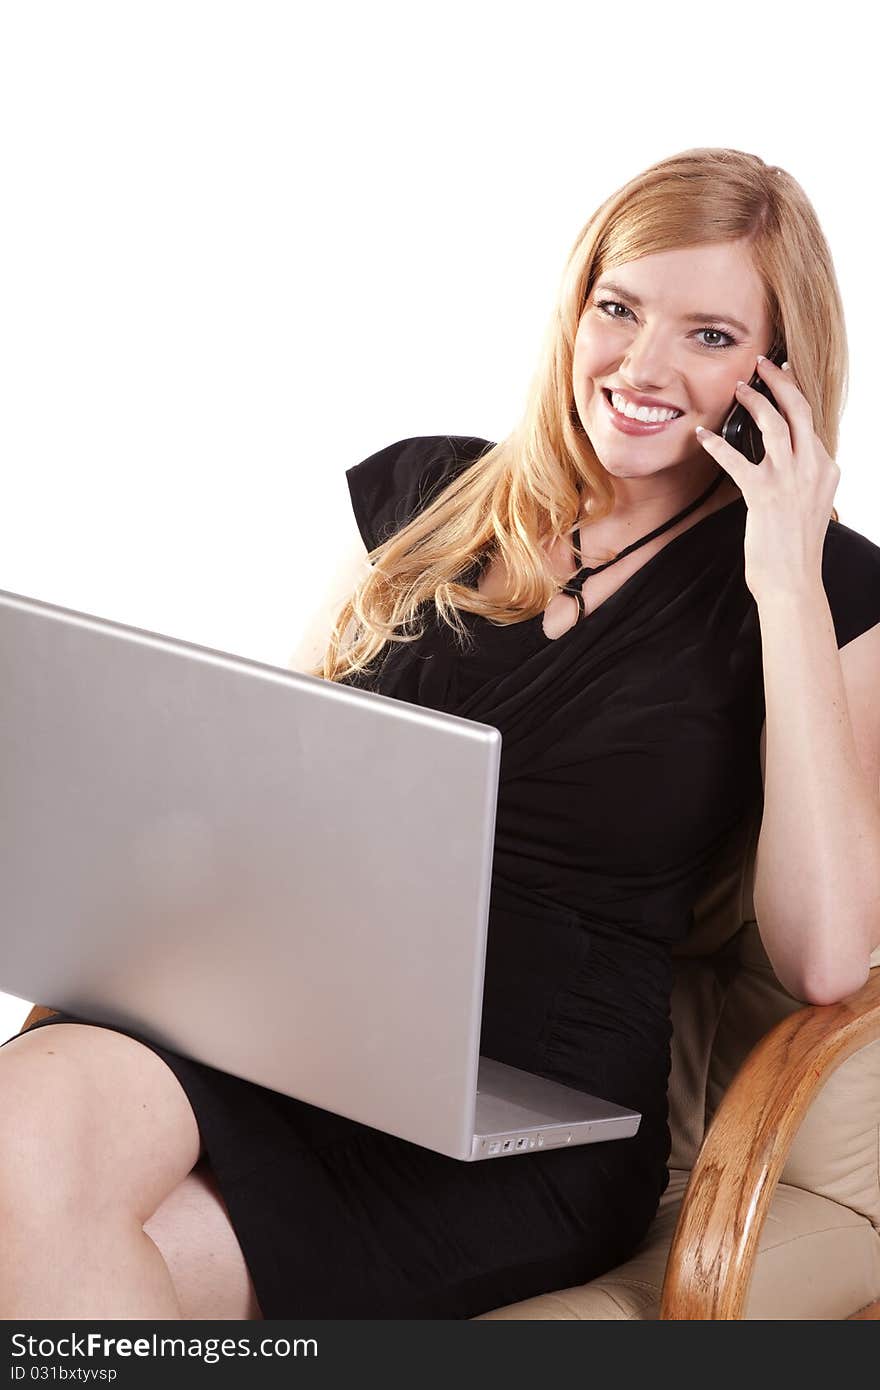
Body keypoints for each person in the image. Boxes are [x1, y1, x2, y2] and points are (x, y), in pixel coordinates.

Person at [3, 146, 880, 1321]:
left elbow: (825, 955)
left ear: (779, 370)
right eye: (617, 308)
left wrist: (783, 575)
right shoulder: (433, 492)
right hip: (296, 1025)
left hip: (519, 1107)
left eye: (709, 336)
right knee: (25, 1140)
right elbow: (273, 764)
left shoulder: (827, 590)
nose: (641, 363)